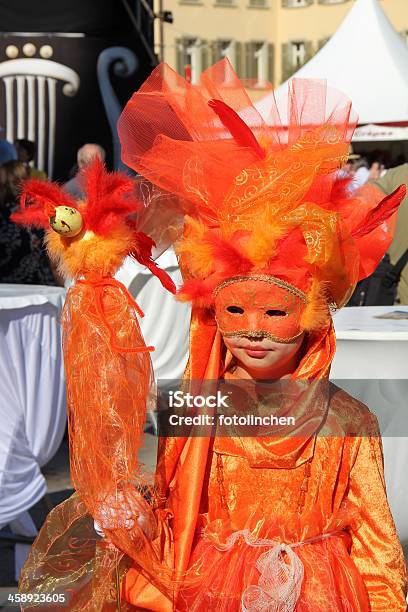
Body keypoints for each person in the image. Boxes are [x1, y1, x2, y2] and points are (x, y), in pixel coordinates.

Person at [19, 62, 407, 610]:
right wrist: (134, 514)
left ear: (313, 315)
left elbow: (376, 546)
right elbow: (177, 515)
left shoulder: (348, 421)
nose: (252, 331)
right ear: (213, 314)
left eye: (274, 312)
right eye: (234, 310)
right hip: (211, 588)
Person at [0, 161, 57, 285]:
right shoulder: (41, 213)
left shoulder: (4, 216)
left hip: (6, 290)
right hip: (38, 289)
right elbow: (53, 259)